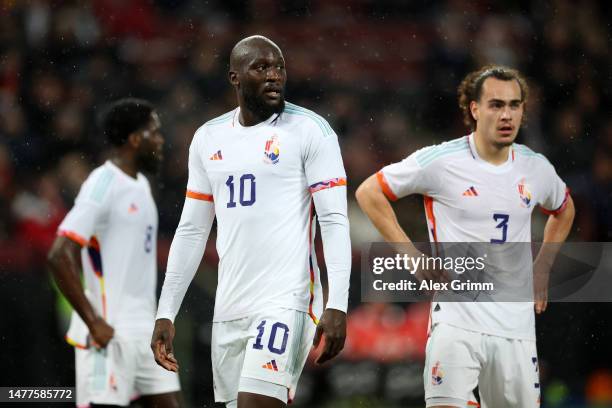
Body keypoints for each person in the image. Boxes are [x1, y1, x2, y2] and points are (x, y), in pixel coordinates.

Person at [356, 65, 575, 408]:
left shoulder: (536, 167)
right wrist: (412, 256)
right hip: (456, 322)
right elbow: (370, 192)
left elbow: (564, 209)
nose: (507, 115)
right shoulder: (442, 161)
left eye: (514, 105)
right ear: (474, 109)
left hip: (514, 327)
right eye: (496, 104)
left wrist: (543, 265)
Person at [151, 35, 351, 408]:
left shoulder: (311, 131)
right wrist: (166, 311)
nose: (274, 75)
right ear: (235, 77)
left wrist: (337, 302)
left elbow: (334, 220)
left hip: (286, 298)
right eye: (261, 68)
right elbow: (193, 230)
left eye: (279, 67)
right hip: (229, 305)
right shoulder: (208, 138)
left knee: (256, 403)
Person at [47, 98, 181, 408]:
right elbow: (58, 254)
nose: (161, 141)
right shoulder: (102, 183)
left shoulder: (143, 187)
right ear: (135, 139)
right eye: (155, 133)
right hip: (109, 332)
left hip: (145, 331)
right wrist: (94, 322)